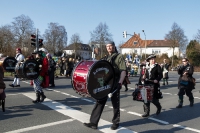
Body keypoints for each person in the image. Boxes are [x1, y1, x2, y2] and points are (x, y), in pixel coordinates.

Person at [83, 41, 126, 130]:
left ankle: (116, 122)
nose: (109, 48)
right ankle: (93, 123)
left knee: (115, 103)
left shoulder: (119, 57)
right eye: (107, 46)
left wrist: (120, 82)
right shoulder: (106, 58)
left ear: (114, 46)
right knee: (100, 101)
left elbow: (123, 71)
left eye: (111, 46)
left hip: (114, 82)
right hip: (106, 82)